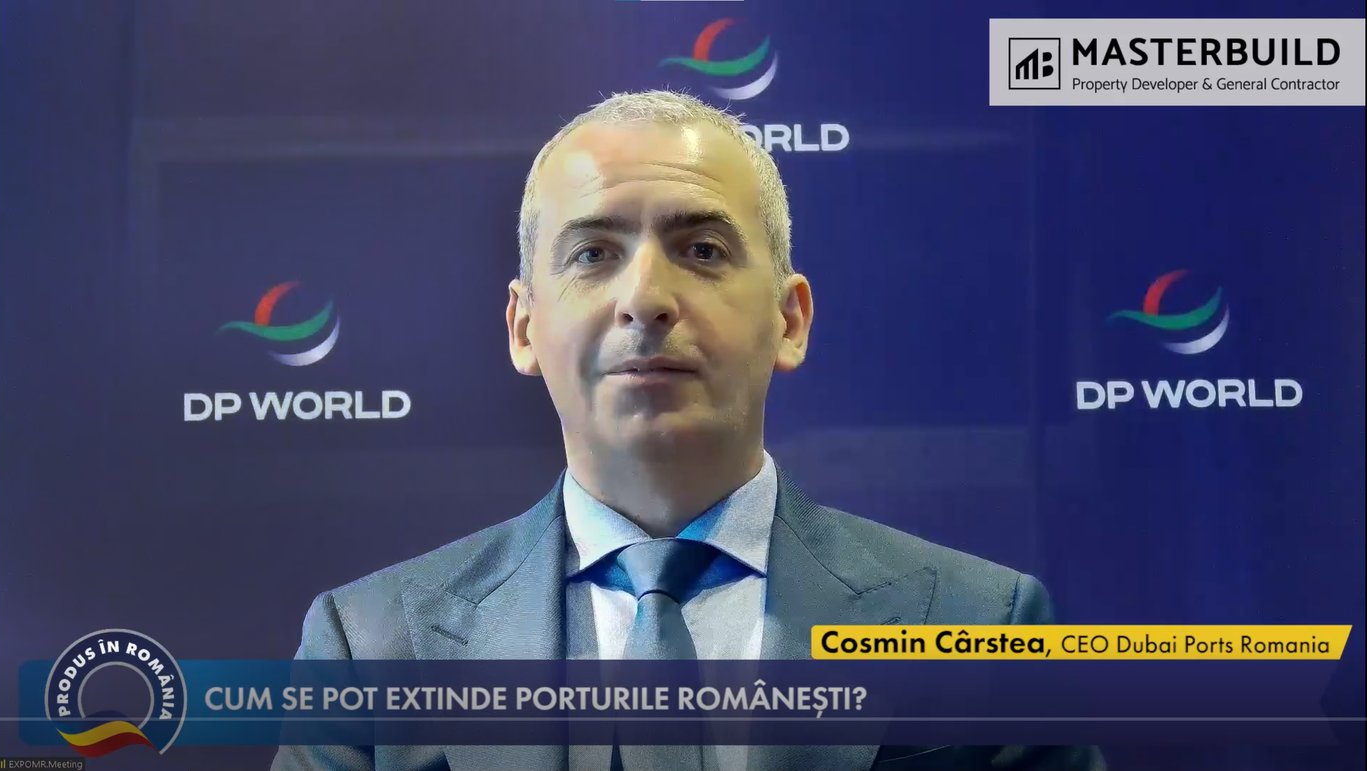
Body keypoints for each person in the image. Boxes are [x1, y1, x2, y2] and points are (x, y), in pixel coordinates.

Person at [272, 90, 1104, 770]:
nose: (645, 298)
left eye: (701, 249)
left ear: (788, 320)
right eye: (593, 254)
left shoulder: (986, 626)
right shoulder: (368, 646)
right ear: (524, 328)